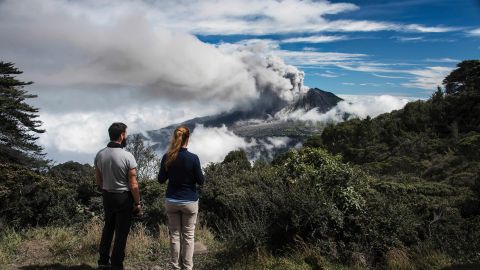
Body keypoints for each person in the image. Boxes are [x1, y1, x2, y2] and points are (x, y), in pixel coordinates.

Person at [94, 122, 142, 270]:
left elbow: (98, 180)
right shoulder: (127, 156)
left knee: (108, 228)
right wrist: (137, 202)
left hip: (107, 196)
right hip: (123, 197)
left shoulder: (100, 154)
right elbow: (133, 184)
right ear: (121, 135)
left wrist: (107, 188)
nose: (126, 136)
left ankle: (103, 261)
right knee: (121, 232)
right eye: (125, 133)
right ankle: (116, 264)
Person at [158, 126, 205, 270]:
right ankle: (187, 267)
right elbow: (201, 181)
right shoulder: (193, 158)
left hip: (172, 201)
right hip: (189, 201)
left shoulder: (167, 157)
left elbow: (161, 180)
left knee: (175, 236)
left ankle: (175, 266)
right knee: (188, 237)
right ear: (188, 138)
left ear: (174, 138)